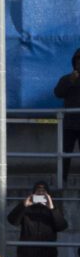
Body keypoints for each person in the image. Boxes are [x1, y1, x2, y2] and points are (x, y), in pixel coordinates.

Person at [53, 48, 80, 181]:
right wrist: (71, 80)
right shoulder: (66, 78)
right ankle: (61, 180)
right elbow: (58, 93)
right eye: (77, 60)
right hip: (69, 124)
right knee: (64, 154)